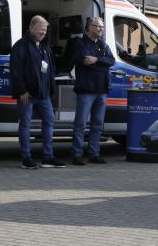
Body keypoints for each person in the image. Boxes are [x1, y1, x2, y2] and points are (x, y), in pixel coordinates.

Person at [10, 15, 65, 169]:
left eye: (45, 30)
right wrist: (22, 90)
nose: (43, 32)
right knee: (25, 124)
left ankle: (48, 157)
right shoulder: (20, 46)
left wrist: (50, 90)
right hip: (27, 94)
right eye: (41, 29)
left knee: (50, 120)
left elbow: (50, 68)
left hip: (43, 94)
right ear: (31, 27)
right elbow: (16, 70)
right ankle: (26, 158)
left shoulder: (44, 46)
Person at [71, 16, 115, 166]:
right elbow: (83, 61)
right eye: (98, 26)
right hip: (86, 89)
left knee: (97, 124)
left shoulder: (103, 44)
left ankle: (94, 154)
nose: (101, 29)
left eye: (102, 27)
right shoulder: (80, 43)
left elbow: (112, 61)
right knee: (81, 123)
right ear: (89, 27)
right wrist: (101, 61)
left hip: (102, 90)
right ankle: (77, 154)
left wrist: (96, 60)